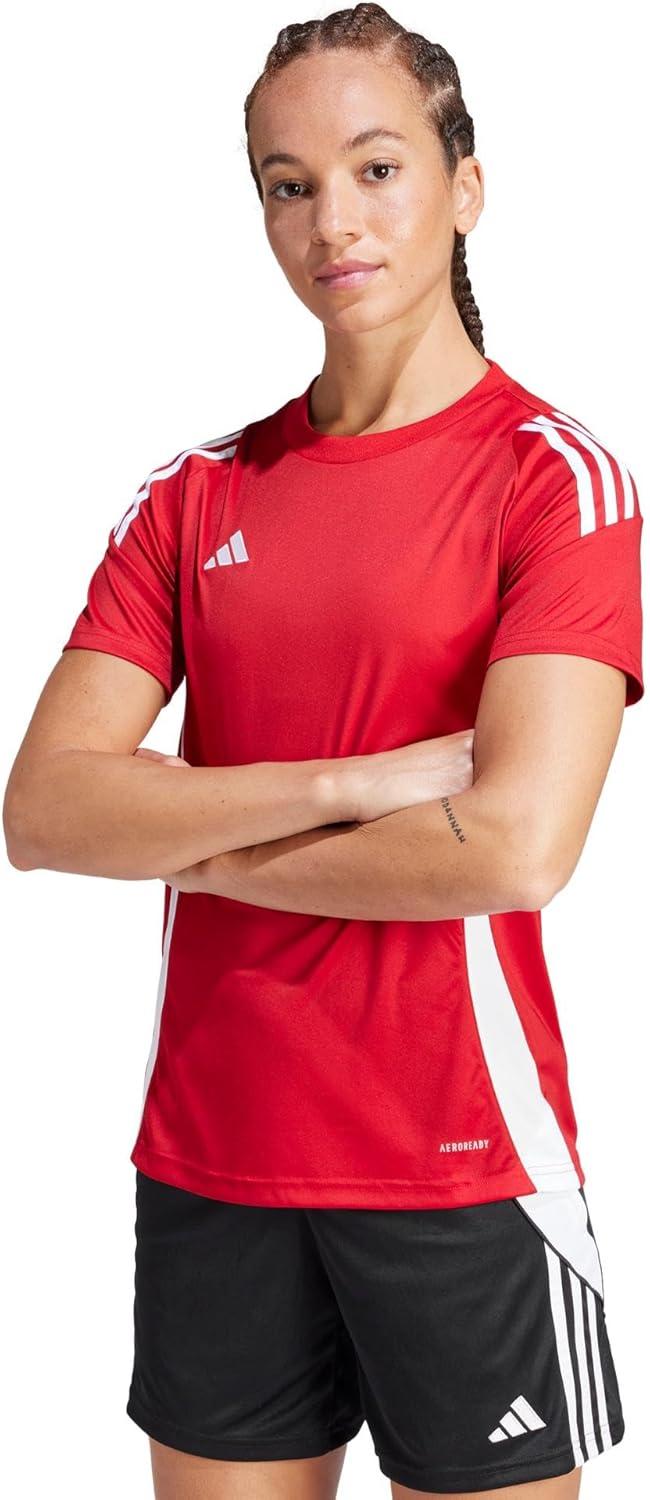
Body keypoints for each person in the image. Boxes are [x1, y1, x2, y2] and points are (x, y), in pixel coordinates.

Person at [3, 5, 644, 1498]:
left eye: (375, 168)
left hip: (459, 1159)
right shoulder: (192, 494)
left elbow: (512, 848)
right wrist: (353, 785)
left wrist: (185, 833)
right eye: (287, 185)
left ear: (464, 186)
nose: (332, 222)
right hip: (210, 1152)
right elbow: (44, 811)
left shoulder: (555, 481)